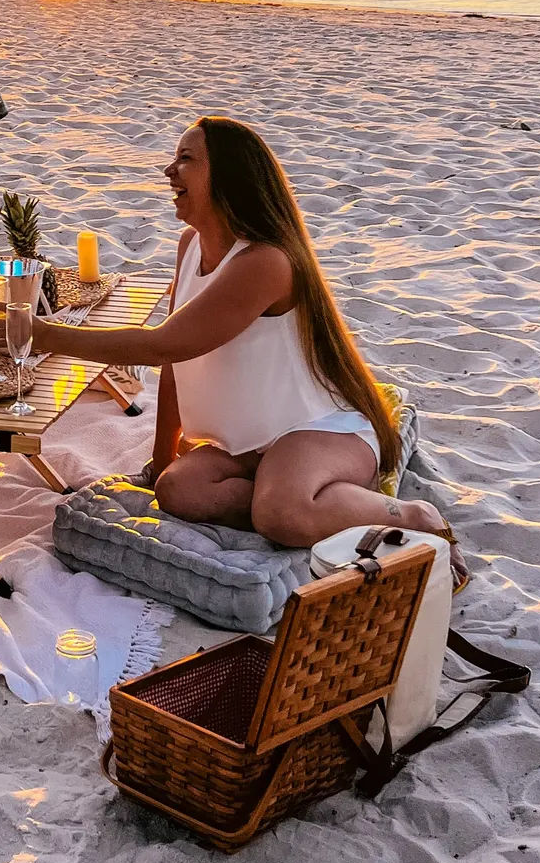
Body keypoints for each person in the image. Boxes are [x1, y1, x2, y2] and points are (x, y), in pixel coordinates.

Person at [30, 116, 466, 584]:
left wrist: (42, 334)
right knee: (178, 490)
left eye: (186, 160)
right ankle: (280, 491)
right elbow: (179, 361)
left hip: (319, 430)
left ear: (229, 178)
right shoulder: (191, 245)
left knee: (283, 515)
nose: (169, 171)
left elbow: (163, 345)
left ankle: (412, 516)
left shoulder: (267, 262)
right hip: (248, 443)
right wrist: (160, 461)